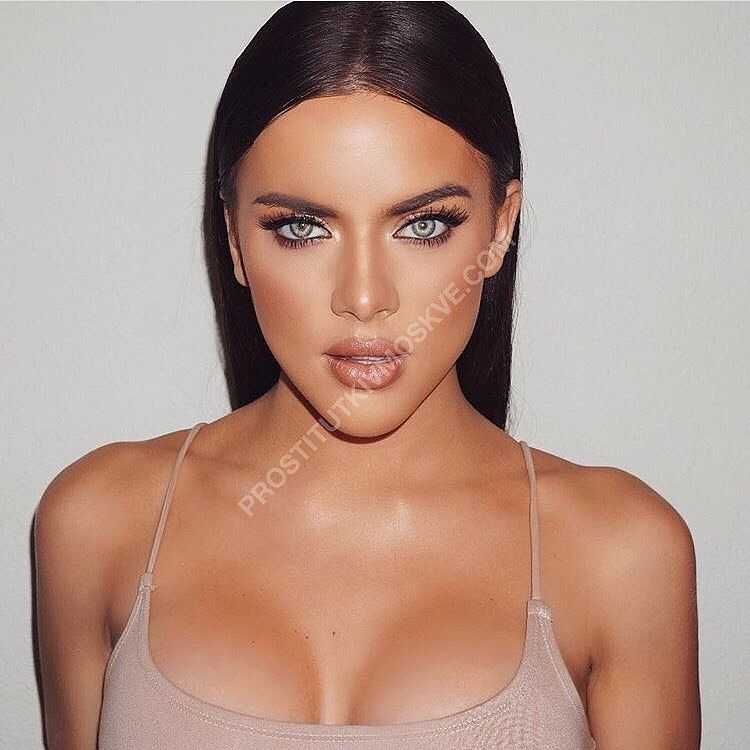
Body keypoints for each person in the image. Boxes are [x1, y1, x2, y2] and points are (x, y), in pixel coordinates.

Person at [33, 2, 700, 748]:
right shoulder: (96, 524)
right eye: (301, 228)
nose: (363, 296)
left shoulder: (622, 555)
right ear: (233, 238)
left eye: (423, 225)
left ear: (501, 224)